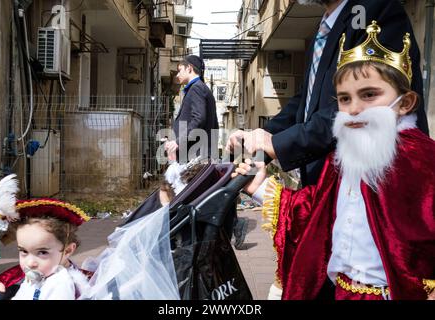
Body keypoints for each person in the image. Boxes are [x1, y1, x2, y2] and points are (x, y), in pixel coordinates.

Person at [233, 21, 435, 300]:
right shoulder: (343, 158)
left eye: (369, 95)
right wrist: (260, 187)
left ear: (405, 103)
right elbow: (314, 215)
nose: (354, 109)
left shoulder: (424, 162)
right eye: (344, 98)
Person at [226, 0, 429, 188]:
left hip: (371, 187)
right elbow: (304, 101)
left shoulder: (377, 10)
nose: (351, 103)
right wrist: (262, 137)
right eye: (344, 97)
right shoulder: (324, 29)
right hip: (324, 188)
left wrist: (277, 144)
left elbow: (361, 111)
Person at [0, 182, 91, 300]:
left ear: (67, 250)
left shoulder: (61, 284)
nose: (30, 263)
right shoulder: (42, 274)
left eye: (42, 252)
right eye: (24, 251)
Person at [165, 55, 219, 163]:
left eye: (180, 70)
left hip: (195, 156)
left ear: (189, 68)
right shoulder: (202, 88)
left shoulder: (196, 88)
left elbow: (199, 119)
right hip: (199, 155)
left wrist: (178, 142)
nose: (177, 75)